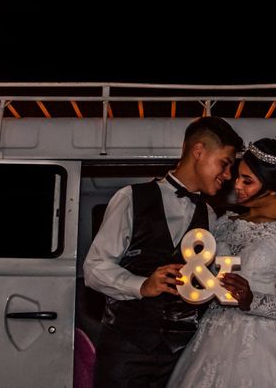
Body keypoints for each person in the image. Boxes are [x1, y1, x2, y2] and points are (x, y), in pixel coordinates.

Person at [166, 134, 276, 388]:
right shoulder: (222, 224)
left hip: (265, 343)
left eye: (246, 180)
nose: (236, 184)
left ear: (273, 188)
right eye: (238, 176)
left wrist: (253, 300)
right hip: (211, 339)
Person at [84, 116, 244, 388]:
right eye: (225, 163)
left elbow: (210, 278)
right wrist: (142, 285)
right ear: (198, 151)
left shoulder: (209, 214)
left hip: (182, 355)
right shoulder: (130, 197)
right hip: (128, 349)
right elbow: (94, 267)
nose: (228, 175)